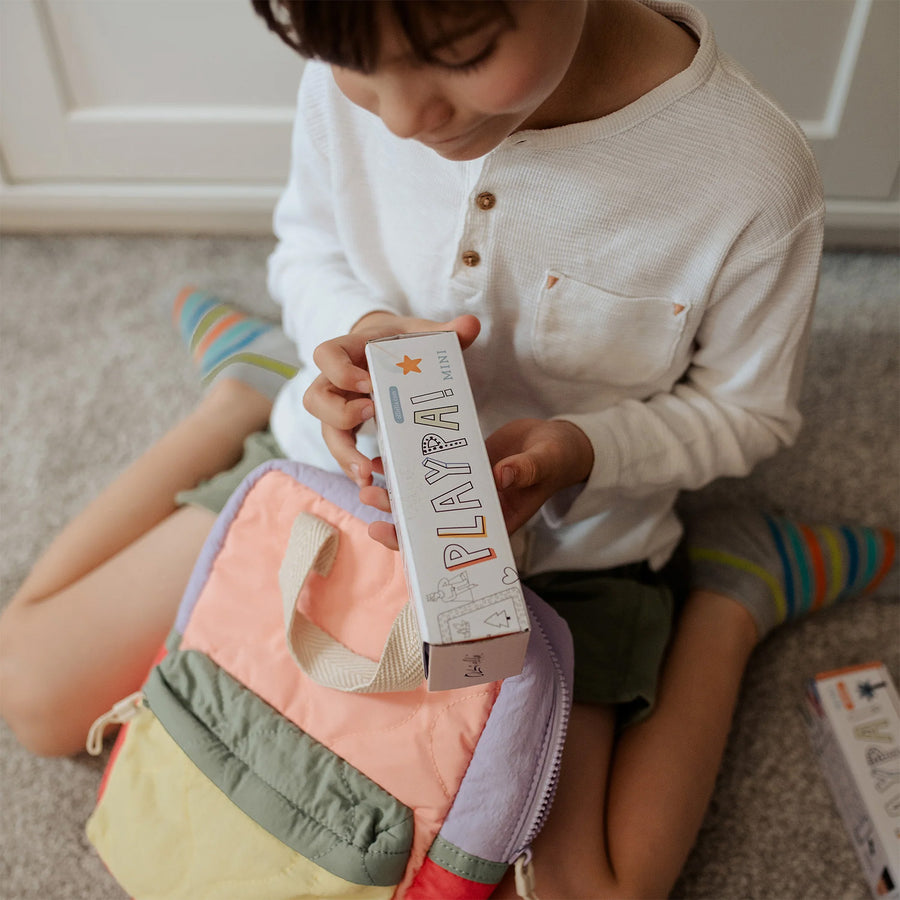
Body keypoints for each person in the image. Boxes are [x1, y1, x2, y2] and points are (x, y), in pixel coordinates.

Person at [0, 2, 894, 897]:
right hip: (328, 479)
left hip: (577, 558)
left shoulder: (750, 178)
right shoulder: (359, 48)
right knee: (31, 694)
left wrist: (582, 452)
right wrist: (348, 332)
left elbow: (749, 415)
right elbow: (305, 248)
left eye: (459, 55)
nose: (398, 116)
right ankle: (241, 385)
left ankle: (735, 590)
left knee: (596, 892)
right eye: (348, 63)